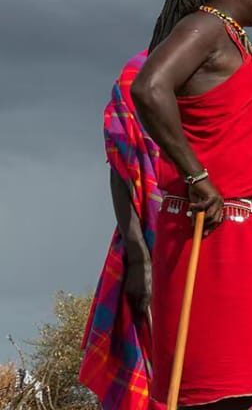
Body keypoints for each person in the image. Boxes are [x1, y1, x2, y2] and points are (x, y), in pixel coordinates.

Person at [131, 0, 252, 409]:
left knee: (246, 388)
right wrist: (197, 175)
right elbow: (149, 87)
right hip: (212, 230)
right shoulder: (204, 27)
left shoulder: (229, 37)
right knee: (218, 390)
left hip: (241, 231)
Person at [79, 50, 164, 410]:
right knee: (152, 371)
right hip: (152, 239)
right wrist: (138, 257)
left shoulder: (238, 67)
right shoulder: (143, 73)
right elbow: (122, 166)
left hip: (221, 242)